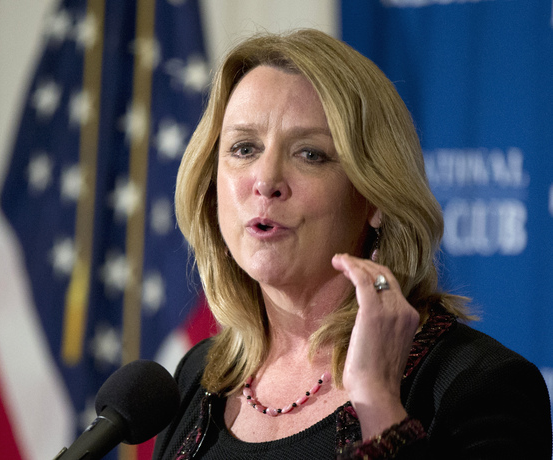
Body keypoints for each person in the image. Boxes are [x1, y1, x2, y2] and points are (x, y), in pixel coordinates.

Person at [152, 29, 552, 459]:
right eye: (244, 148)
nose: (266, 181)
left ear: (375, 197)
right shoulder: (198, 377)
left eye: (310, 154)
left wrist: (379, 405)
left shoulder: (479, 386)